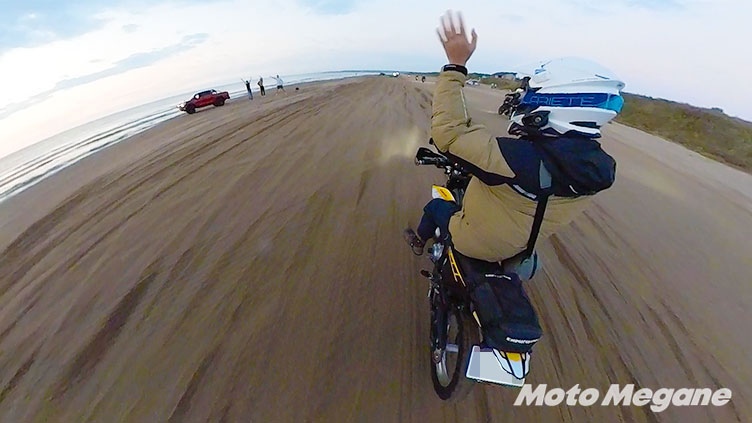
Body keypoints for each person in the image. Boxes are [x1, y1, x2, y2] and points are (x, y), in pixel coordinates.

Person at [404, 11, 620, 274]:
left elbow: (450, 134)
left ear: (552, 105)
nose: (525, 100)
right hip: (521, 247)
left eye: (532, 94)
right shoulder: (602, 168)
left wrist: (455, 66)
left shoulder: (516, 158)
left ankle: (419, 241)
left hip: (476, 243)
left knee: (436, 206)